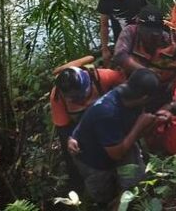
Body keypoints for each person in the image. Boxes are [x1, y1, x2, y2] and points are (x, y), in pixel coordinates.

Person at [68, 68, 170, 206]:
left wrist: (156, 121)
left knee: (134, 188)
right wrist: (139, 125)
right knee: (104, 197)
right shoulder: (108, 112)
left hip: (119, 143)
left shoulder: (132, 99)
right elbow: (117, 154)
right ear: (145, 97)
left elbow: (135, 134)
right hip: (93, 160)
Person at [50, 55, 126, 191]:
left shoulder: (103, 77)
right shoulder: (57, 97)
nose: (79, 100)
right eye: (73, 99)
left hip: (113, 125)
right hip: (84, 135)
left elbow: (130, 91)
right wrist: (70, 141)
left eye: (80, 95)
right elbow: (63, 129)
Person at [113, 5, 176, 111]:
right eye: (146, 31)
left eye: (155, 32)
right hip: (134, 85)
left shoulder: (171, 40)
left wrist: (174, 82)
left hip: (162, 87)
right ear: (138, 26)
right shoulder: (130, 32)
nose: (150, 35)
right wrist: (147, 73)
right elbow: (119, 56)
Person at [97, 0, 147, 65]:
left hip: (141, 42)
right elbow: (104, 25)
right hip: (121, 44)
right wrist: (105, 50)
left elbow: (146, 16)